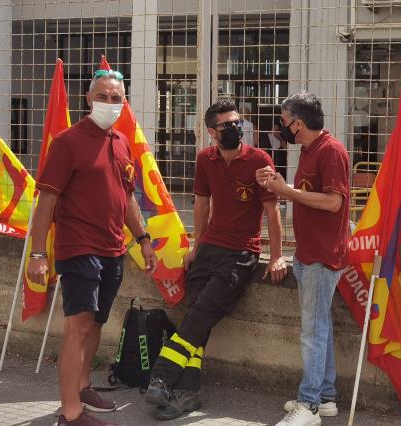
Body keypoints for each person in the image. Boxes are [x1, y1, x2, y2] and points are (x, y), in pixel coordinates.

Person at [27, 67, 157, 426]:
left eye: (116, 98)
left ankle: (83, 387)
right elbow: (47, 201)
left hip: (113, 250)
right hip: (79, 249)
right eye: (102, 96)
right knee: (78, 329)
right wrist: (38, 255)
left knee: (97, 324)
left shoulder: (122, 142)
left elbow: (127, 198)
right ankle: (70, 413)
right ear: (89, 99)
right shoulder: (68, 142)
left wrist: (143, 239)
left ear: (124, 102)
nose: (109, 103)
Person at [145, 99, 289, 421]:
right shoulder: (204, 159)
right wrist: (196, 247)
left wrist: (277, 257)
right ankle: (189, 393)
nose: (235, 128)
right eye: (227, 125)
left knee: (199, 316)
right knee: (197, 319)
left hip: (241, 253)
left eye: (237, 122)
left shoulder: (259, 160)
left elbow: (272, 212)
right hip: (209, 249)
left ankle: (162, 375)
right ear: (212, 131)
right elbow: (201, 205)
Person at [256, 92, 351, 426]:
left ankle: (309, 405)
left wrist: (287, 192)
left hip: (322, 256)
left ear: (298, 123)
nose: (281, 127)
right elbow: (310, 194)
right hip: (309, 253)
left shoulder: (331, 151)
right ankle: (325, 398)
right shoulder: (310, 150)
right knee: (319, 327)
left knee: (312, 332)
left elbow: (334, 202)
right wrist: (280, 186)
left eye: (284, 121)